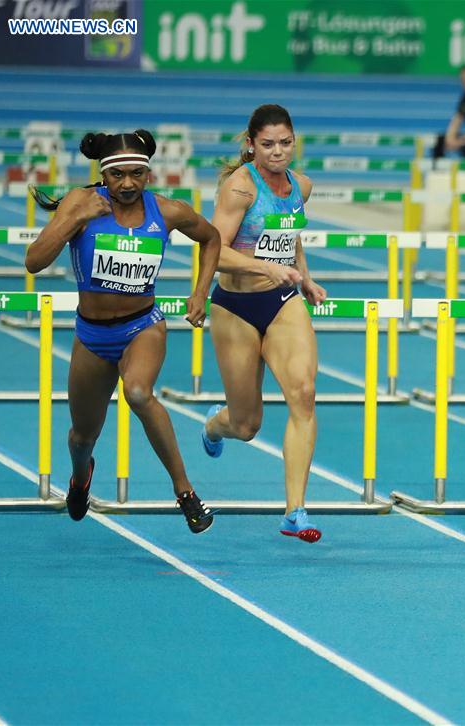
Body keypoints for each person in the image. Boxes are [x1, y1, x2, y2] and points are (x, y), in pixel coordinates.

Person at [25, 129, 222, 533]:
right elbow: (33, 261)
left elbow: (212, 238)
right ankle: (81, 477)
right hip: (93, 336)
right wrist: (75, 220)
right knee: (82, 436)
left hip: (142, 326)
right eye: (118, 176)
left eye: (137, 174)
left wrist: (201, 291)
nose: (128, 184)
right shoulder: (82, 202)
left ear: (148, 175)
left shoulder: (165, 211)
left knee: (138, 392)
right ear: (104, 175)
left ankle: (185, 493)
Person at [200, 104, 327, 543]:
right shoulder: (240, 188)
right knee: (247, 424)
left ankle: (295, 510)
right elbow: (212, 251)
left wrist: (302, 275)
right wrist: (263, 268)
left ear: (295, 141)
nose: (278, 152)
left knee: (304, 393)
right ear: (251, 144)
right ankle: (215, 424)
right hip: (236, 306)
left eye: (286, 143)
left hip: (283, 301)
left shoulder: (301, 186)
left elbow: (289, 235)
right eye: (268, 144)